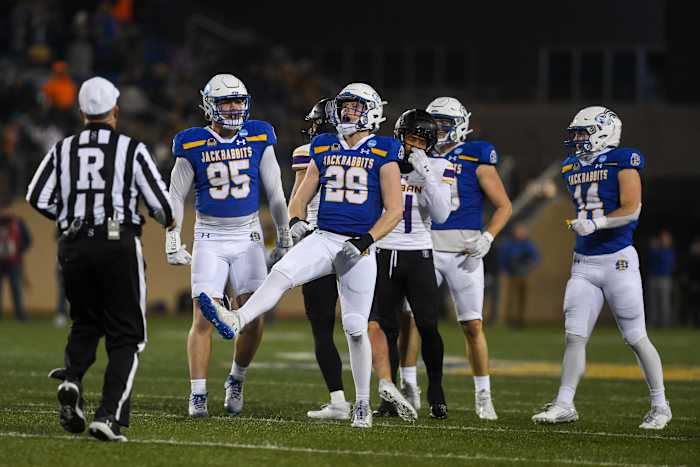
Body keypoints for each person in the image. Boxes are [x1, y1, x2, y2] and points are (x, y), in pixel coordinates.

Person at [199, 82, 403, 428]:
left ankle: (362, 405)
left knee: (354, 328)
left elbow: (394, 210)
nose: (345, 113)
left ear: (372, 111)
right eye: (344, 106)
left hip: (359, 245)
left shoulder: (385, 149)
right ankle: (237, 319)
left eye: (353, 107)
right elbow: (300, 197)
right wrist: (295, 223)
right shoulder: (322, 146)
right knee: (281, 273)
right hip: (323, 236)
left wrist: (366, 240)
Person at [26, 76, 174, 441]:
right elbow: (163, 206)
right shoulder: (131, 149)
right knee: (126, 337)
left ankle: (73, 378)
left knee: (85, 322)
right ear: (115, 110)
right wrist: (167, 222)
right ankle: (107, 417)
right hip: (117, 242)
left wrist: (70, 217)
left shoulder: (64, 149)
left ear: (81, 112)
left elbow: (36, 196)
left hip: (73, 244)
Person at [532, 106, 672, 430]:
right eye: (576, 133)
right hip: (583, 263)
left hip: (618, 259)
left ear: (604, 132)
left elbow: (632, 209)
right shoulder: (570, 166)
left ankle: (660, 405)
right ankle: (565, 403)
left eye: (583, 132)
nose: (577, 139)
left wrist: (596, 224)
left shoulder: (623, 160)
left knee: (636, 337)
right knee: (574, 336)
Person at [167, 74, 292, 418]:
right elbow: (175, 194)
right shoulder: (191, 143)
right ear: (210, 106)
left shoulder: (259, 134)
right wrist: (172, 236)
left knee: (252, 318)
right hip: (209, 236)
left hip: (249, 236)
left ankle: (236, 378)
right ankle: (198, 394)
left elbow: (276, 191)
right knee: (203, 316)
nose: (235, 108)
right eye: (227, 102)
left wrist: (283, 234)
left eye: (239, 100)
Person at [426, 97, 512, 421]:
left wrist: (488, 237)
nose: (439, 129)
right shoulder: (418, 154)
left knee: (473, 324)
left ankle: (483, 395)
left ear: (460, 124)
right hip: (428, 246)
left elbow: (504, 205)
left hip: (465, 248)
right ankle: (408, 387)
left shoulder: (477, 154)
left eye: (445, 123)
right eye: (434, 123)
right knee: (411, 320)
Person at [369, 109, 453, 421]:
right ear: (399, 136)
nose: (414, 145)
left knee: (428, 325)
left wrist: (427, 173)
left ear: (430, 143)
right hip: (385, 253)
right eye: (410, 138)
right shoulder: (384, 163)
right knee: (387, 328)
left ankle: (436, 390)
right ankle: (389, 396)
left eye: (421, 140)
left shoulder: (441, 165)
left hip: (419, 253)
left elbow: (442, 215)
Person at [290, 98, 352, 420]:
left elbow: (297, 200)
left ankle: (340, 399)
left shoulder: (311, 151)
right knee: (368, 325)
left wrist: (290, 239)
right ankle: (380, 392)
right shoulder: (367, 151)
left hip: (319, 241)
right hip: (360, 244)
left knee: (323, 328)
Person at [498, 223, 540, 328]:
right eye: (519, 231)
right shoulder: (509, 244)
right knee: (511, 297)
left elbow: (535, 258)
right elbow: (503, 257)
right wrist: (504, 269)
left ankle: (520, 319)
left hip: (523, 274)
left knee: (522, 297)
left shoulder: (528, 245)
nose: (521, 234)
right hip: (510, 273)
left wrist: (529, 266)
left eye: (523, 232)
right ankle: (509, 318)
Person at [0, 199, 32, 321]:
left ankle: (20, 315)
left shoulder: (18, 223)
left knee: (17, 288)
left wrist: (18, 249)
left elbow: (28, 240)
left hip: (14, 261)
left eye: (5, 208)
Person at [646, 230, 675, 327]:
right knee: (653, 303)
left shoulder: (669, 251)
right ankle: (653, 322)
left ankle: (665, 323)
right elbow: (650, 260)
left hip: (665, 279)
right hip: (653, 278)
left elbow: (666, 262)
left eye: (666, 239)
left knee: (664, 303)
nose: (664, 240)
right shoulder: (654, 250)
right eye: (662, 238)